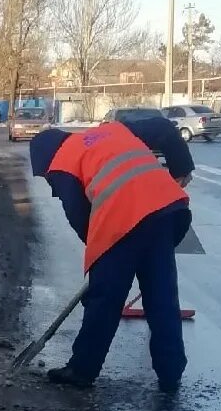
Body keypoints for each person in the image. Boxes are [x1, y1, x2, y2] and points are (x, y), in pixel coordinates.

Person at [28, 115, 194, 393]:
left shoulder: (63, 162)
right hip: (168, 210)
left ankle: (82, 370)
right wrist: (182, 167)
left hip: (126, 218)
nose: (50, 182)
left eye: (47, 177)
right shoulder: (112, 131)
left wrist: (101, 260)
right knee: (162, 296)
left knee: (104, 300)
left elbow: (80, 217)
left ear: (48, 161)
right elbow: (163, 126)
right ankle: (171, 372)